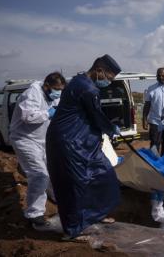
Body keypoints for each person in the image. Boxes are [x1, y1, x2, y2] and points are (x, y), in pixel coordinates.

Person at [46, 54, 122, 240]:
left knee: (101, 175)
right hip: (71, 143)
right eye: (109, 78)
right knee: (74, 185)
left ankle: (92, 215)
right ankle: (72, 229)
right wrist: (111, 128)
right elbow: (96, 116)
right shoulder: (88, 89)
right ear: (99, 71)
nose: (109, 82)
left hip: (76, 140)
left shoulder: (78, 81)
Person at [9, 72, 66, 229]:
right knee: (40, 175)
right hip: (24, 139)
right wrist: (48, 113)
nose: (58, 92)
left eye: (60, 89)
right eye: (55, 89)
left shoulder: (55, 96)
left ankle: (60, 200)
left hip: (42, 140)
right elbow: (28, 116)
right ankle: (34, 213)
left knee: (53, 171)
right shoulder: (32, 93)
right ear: (46, 86)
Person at [142, 67, 164, 155]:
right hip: (155, 122)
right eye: (159, 76)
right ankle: (154, 165)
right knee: (154, 144)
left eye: (163, 75)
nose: (161, 78)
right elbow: (147, 105)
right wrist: (144, 119)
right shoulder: (151, 88)